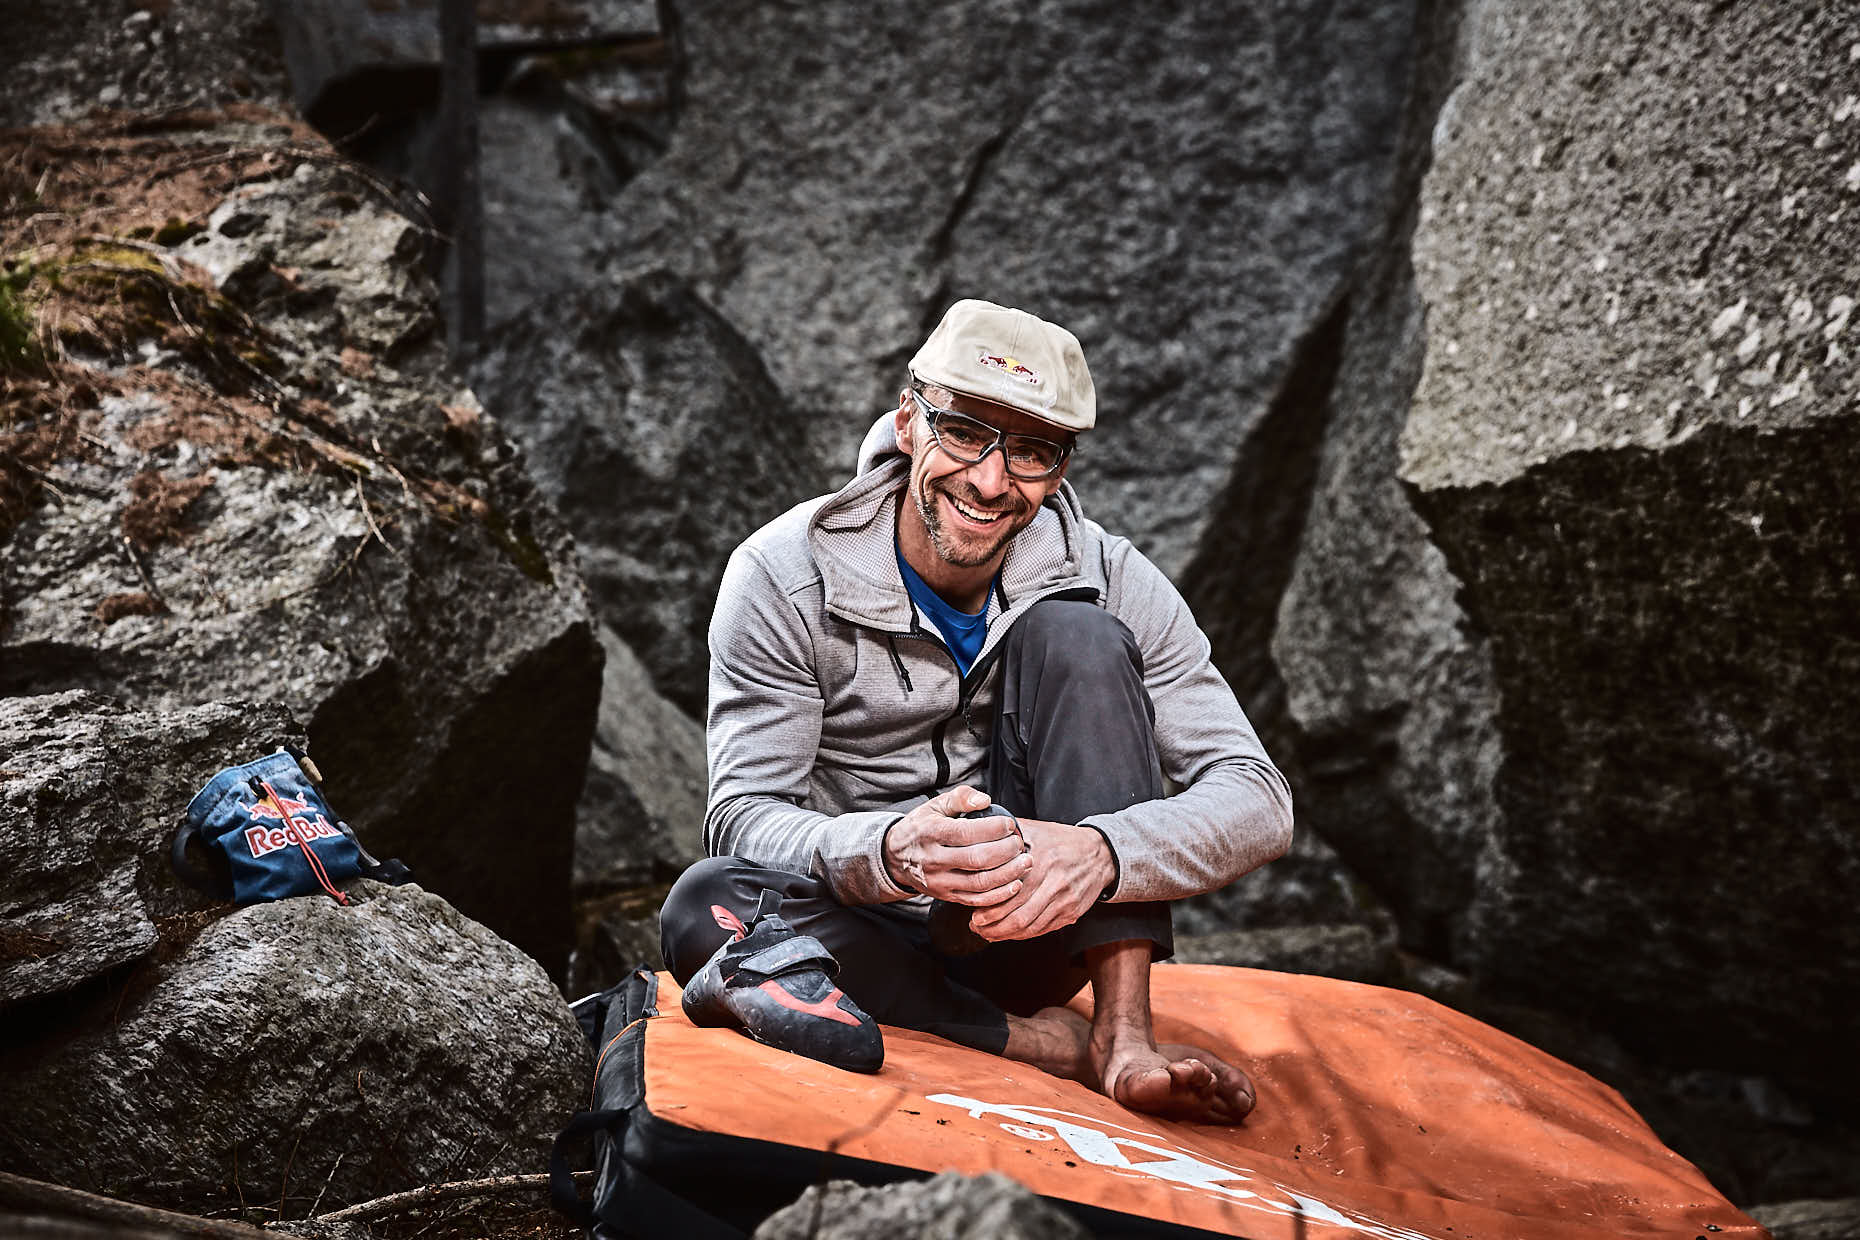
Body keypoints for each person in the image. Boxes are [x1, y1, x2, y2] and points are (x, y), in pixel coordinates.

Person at [660, 299, 1292, 1123]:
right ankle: (1038, 1044)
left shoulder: (1105, 574)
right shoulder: (785, 575)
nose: (991, 482)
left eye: (1030, 452)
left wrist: (1103, 851)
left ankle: (1123, 1033)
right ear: (907, 422)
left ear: (1059, 471)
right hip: (856, 929)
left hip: (1025, 926)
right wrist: (889, 852)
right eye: (963, 433)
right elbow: (742, 818)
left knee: (1078, 637)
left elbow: (1259, 798)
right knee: (703, 905)